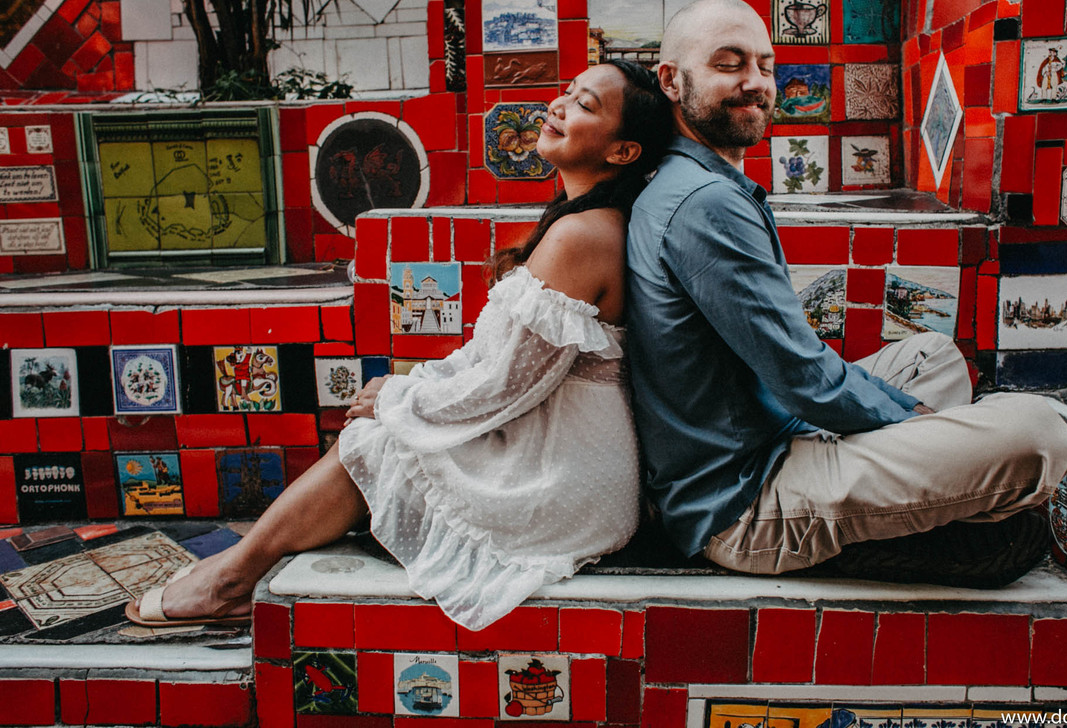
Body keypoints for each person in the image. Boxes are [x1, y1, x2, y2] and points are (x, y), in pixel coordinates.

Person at [125, 59, 672, 630]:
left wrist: (397, 399)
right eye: (567, 92)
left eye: (585, 105)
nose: (558, 105)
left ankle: (232, 578)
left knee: (378, 438)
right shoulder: (580, 221)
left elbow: (503, 386)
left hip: (565, 480)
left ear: (623, 152)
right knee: (384, 430)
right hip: (555, 449)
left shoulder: (582, 235)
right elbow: (497, 362)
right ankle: (240, 567)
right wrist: (408, 388)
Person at [625, 0, 1067, 586]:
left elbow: (794, 371)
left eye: (764, 65)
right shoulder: (702, 202)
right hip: (743, 503)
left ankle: (921, 509)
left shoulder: (699, 181)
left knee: (931, 356)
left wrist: (899, 423)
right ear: (671, 81)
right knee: (1038, 435)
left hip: (774, 436)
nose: (755, 83)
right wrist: (909, 422)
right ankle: (911, 526)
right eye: (728, 64)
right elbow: (802, 376)